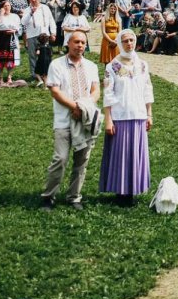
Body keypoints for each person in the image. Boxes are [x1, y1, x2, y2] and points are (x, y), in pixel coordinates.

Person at [41, 32, 102, 210]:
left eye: (83, 42)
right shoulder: (57, 64)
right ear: (68, 43)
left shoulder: (91, 66)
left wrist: (84, 108)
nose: (80, 45)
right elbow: (55, 91)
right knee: (60, 158)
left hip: (85, 120)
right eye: (76, 42)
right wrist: (75, 107)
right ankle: (48, 196)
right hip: (64, 120)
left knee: (82, 160)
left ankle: (74, 196)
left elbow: (96, 91)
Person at [98, 29, 154, 207]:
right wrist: (108, 119)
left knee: (135, 155)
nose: (129, 43)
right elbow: (108, 93)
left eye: (131, 40)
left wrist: (149, 113)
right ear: (120, 44)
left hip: (138, 115)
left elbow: (147, 89)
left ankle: (133, 189)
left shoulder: (143, 65)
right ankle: (120, 191)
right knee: (120, 155)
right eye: (125, 41)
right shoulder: (112, 66)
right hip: (120, 117)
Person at [22, 0, 56, 87]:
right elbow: (23, 22)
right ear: (29, 0)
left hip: (44, 35)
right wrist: (30, 13)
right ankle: (34, 75)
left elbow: (51, 21)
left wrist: (53, 33)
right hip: (32, 35)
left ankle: (47, 73)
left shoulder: (45, 8)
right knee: (33, 55)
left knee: (46, 56)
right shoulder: (27, 10)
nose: (33, 0)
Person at [0, 0, 22, 86]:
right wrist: (1, 15)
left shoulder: (15, 16)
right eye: (5, 6)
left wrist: (13, 30)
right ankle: (0, 77)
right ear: (2, 7)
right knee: (0, 57)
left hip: (11, 37)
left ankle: (9, 77)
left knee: (10, 58)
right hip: (1, 37)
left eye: (8, 5)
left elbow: (17, 26)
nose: (7, 7)